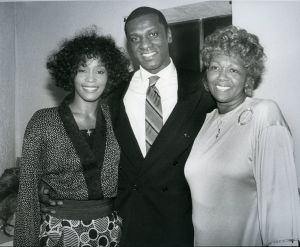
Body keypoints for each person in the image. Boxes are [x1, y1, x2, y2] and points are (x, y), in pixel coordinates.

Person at [107, 6, 214, 247]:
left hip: (181, 222)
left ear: (168, 35)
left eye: (152, 34)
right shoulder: (112, 94)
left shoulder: (202, 88)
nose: (144, 44)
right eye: (135, 38)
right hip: (126, 222)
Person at [184, 25, 300, 246]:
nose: (222, 77)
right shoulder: (206, 121)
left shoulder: (264, 114)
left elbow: (281, 210)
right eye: (215, 67)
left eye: (234, 70)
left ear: (248, 79)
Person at [14, 28, 130, 247]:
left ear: (110, 75)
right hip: (59, 231)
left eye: (100, 71)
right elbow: (27, 192)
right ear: (71, 73)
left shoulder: (117, 118)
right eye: (82, 70)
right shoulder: (42, 122)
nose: (91, 79)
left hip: (110, 230)